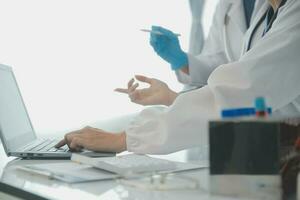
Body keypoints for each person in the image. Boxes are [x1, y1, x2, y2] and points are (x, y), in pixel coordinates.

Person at [56, 0, 300, 155]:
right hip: (261, 134)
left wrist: (126, 137)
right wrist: (179, 67)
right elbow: (246, 85)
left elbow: (243, 91)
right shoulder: (267, 13)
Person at [115, 0, 261, 106]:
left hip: (272, 111)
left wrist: (171, 98)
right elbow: (219, 64)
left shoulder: (277, 7)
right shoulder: (226, 5)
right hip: (240, 111)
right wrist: (182, 60)